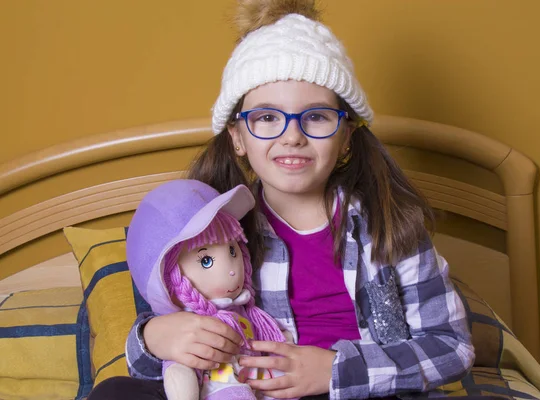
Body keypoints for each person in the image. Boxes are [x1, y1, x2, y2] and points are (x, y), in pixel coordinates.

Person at [89, 0, 476, 399]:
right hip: (246, 392)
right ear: (237, 137)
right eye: (268, 118)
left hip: (363, 392)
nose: (292, 136)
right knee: (116, 392)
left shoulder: (390, 224)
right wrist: (155, 336)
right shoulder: (214, 228)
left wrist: (335, 373)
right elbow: (155, 353)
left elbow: (452, 346)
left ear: (345, 137)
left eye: (317, 116)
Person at [125, 180, 297, 400]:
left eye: (233, 251)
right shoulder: (180, 325)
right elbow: (166, 368)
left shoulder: (248, 309)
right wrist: (150, 337)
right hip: (220, 383)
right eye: (206, 260)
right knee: (112, 390)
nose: (232, 271)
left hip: (266, 378)